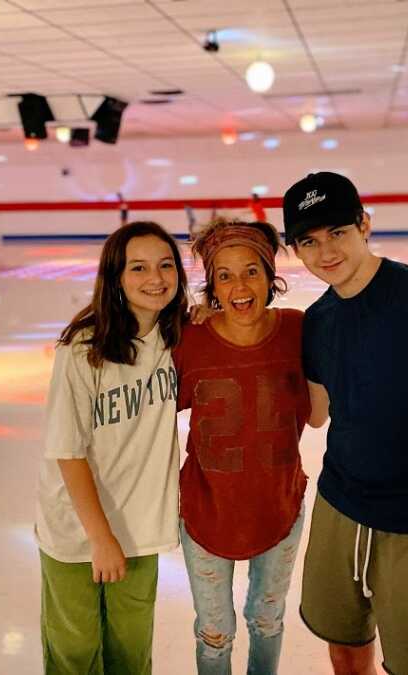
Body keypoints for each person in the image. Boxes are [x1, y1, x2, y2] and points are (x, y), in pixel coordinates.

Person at [282, 172, 408, 675]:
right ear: (296, 250)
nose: (325, 252)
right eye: (309, 241)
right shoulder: (318, 321)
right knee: (344, 645)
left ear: (364, 225)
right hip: (339, 506)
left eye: (337, 233)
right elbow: (317, 413)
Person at [36, 221, 189, 675]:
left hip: (141, 527)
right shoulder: (83, 348)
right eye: (138, 267)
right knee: (75, 654)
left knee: (130, 652)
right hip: (78, 531)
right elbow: (68, 451)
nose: (155, 278)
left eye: (165, 265)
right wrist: (101, 539)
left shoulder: (177, 335)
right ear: (116, 278)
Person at [174, 218, 323, 675]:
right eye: (224, 275)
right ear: (212, 287)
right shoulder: (189, 340)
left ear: (269, 275)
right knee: (214, 633)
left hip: (278, 508)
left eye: (251, 271)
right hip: (206, 513)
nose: (239, 285)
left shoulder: (299, 331)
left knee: (266, 618)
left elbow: (319, 414)